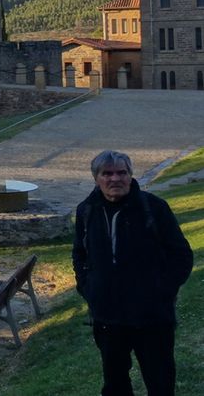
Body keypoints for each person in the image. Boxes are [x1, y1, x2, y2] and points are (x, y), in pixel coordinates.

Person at [72, 150, 193, 396]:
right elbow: (79, 254)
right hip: (107, 317)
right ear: (96, 178)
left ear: (130, 175)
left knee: (160, 383)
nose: (115, 179)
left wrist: (162, 291)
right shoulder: (87, 210)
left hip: (152, 317)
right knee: (115, 384)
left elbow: (181, 255)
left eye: (121, 172)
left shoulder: (154, 208)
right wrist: (89, 289)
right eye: (107, 173)